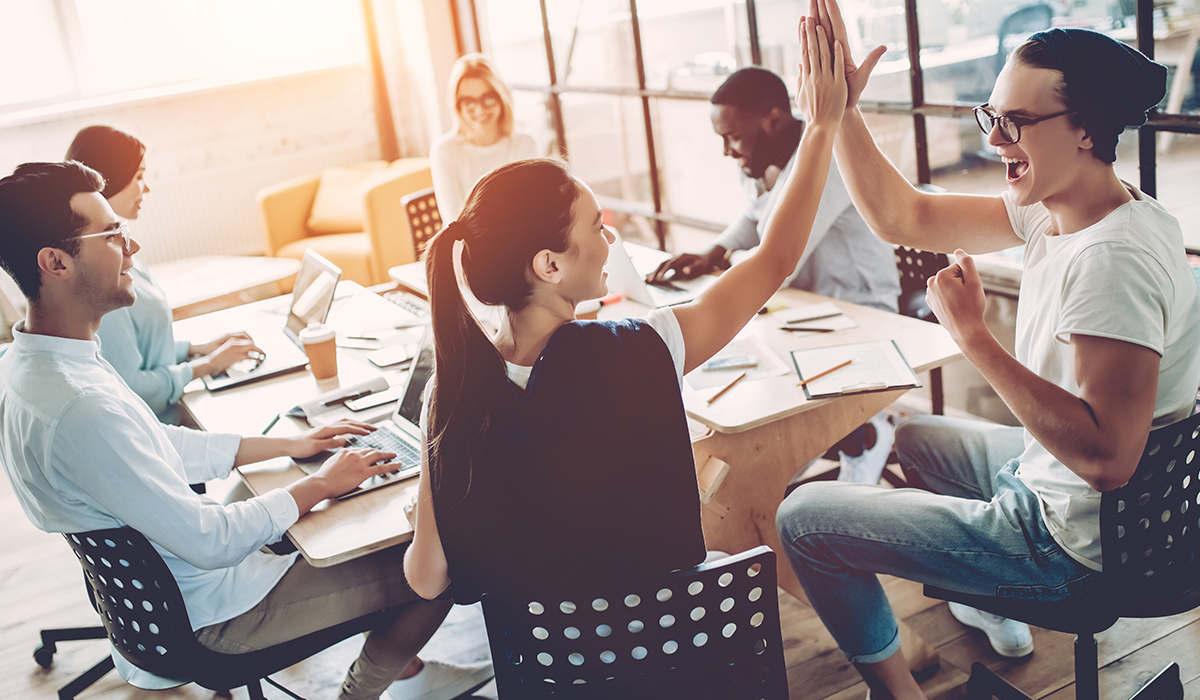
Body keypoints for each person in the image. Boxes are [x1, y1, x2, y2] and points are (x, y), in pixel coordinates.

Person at [775, 2, 1200, 699]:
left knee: (804, 520)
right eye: (991, 116)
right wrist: (843, 109)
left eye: (1017, 123)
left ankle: (902, 688)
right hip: (1081, 501)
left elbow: (1106, 459)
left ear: (1087, 129)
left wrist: (974, 337)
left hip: (1070, 548)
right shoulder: (1074, 205)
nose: (996, 139)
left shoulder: (1109, 264)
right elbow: (901, 215)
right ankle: (980, 589)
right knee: (916, 439)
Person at [0, 161, 492, 700]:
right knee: (445, 561)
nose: (132, 248)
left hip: (172, 595)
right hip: (217, 614)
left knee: (308, 503)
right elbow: (210, 542)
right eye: (112, 234)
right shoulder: (79, 406)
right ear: (55, 262)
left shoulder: (34, 365)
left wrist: (290, 445)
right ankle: (365, 693)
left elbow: (156, 445)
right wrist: (318, 485)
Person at [403, 18, 848, 605]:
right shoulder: (642, 346)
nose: (609, 238)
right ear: (549, 266)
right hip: (670, 654)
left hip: (550, 675)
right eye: (595, 225)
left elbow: (427, 576)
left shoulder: (453, 387)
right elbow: (777, 257)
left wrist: (429, 511)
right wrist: (822, 125)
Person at [650, 66, 902, 484]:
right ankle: (794, 459)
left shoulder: (829, 161)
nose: (728, 151)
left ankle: (860, 434)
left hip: (858, 310)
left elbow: (780, 261)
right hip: (804, 307)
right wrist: (712, 252)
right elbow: (754, 217)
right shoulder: (759, 158)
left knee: (749, 367)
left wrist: (728, 269)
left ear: (773, 120)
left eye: (732, 137)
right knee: (742, 366)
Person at [67, 125, 262, 424]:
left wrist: (196, 349)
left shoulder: (124, 250)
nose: (146, 188)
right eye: (139, 176)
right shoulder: (102, 277)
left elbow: (142, 345)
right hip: (160, 422)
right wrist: (206, 365)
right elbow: (131, 387)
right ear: (111, 178)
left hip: (175, 402)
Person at [429, 54, 538, 222]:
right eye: (469, 102)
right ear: (457, 106)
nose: (480, 110)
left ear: (501, 98)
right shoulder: (444, 151)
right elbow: (454, 221)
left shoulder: (523, 143)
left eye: (488, 99)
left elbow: (530, 208)